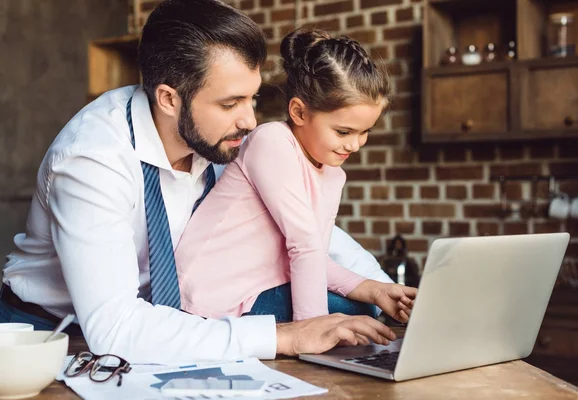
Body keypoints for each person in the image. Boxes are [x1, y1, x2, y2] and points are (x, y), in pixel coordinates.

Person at [0, 0, 406, 364]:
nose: (250, 121)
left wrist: (387, 292)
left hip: (168, 323)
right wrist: (288, 335)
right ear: (169, 99)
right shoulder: (93, 160)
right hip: (51, 337)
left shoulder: (218, 138)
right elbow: (116, 329)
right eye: (230, 104)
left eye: (253, 98)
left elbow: (310, 231)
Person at [175, 29, 416, 323]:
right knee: (353, 314)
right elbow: (305, 247)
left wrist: (373, 289)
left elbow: (314, 258)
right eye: (343, 132)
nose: (354, 144)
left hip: (258, 292)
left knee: (365, 307)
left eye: (365, 132)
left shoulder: (332, 175)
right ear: (299, 112)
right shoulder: (272, 141)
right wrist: (312, 331)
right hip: (208, 299)